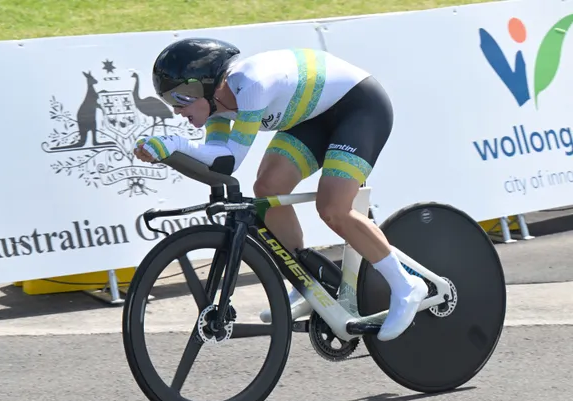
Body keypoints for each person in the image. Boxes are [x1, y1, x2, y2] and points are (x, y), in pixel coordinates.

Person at [134, 37, 428, 342]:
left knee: (333, 207)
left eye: (179, 99)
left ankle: (406, 285)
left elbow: (230, 160)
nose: (176, 111)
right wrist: (167, 151)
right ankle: (308, 285)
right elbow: (215, 158)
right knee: (267, 189)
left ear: (204, 87)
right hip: (314, 119)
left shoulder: (251, 84)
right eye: (169, 102)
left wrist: (174, 145)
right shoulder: (217, 107)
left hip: (359, 108)